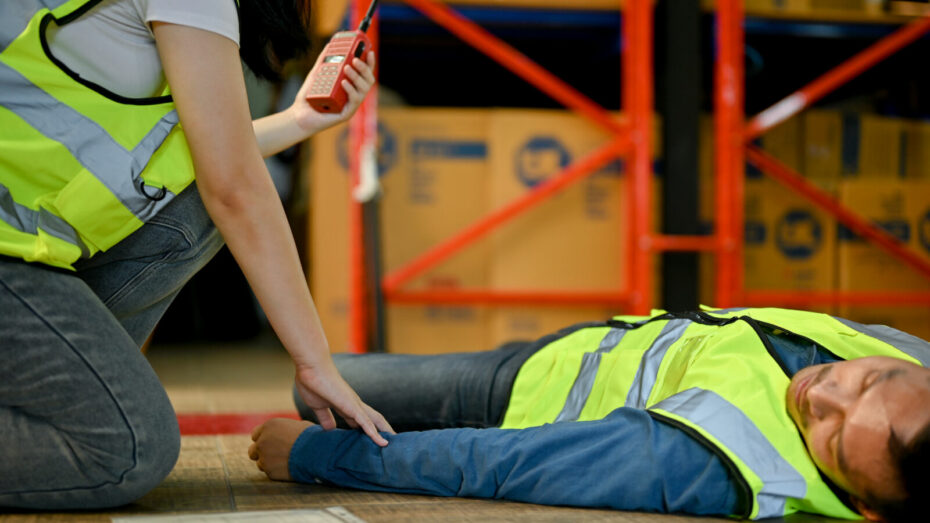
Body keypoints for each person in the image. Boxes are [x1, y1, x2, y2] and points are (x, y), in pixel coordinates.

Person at [0, 0, 394, 510]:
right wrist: (315, 362)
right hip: (12, 251)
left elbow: (211, 154)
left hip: (23, 249)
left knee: (196, 205)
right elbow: (233, 186)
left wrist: (300, 120)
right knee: (127, 447)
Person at [249, 307, 930, 522]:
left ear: (866, 508)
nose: (822, 393)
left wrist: (315, 457)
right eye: (865, 380)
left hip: (516, 397)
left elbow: (500, 463)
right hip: (583, 339)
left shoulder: (719, 462)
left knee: (315, 391)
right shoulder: (911, 360)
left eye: (833, 436)